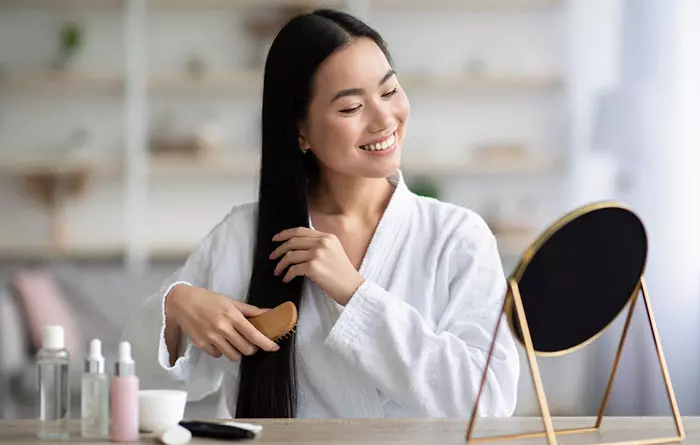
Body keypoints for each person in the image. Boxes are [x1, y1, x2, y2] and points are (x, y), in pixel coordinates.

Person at [122, 8, 520, 419]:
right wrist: (178, 306)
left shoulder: (458, 236)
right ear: (301, 132)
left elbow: (488, 402)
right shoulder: (244, 235)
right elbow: (137, 384)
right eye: (351, 108)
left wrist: (354, 292)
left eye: (389, 92)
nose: (384, 119)